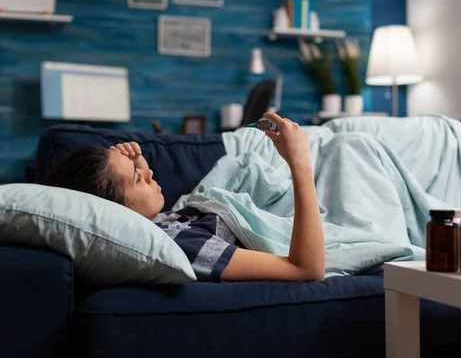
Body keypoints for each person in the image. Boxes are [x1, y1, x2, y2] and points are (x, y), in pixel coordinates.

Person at [45, 113, 325, 282]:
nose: (150, 172)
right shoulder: (182, 248)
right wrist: (299, 161)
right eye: (137, 179)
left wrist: (136, 166)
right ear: (115, 212)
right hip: (291, 211)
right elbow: (305, 268)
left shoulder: (152, 229)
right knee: (351, 149)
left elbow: (158, 215)